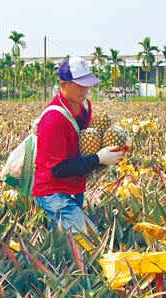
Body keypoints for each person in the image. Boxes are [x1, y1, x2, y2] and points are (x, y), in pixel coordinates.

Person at [33, 56, 124, 233]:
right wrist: (98, 158)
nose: (85, 89)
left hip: (74, 187)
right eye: (79, 84)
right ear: (63, 84)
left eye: (87, 83)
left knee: (66, 242)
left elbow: (84, 144)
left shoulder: (85, 106)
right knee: (91, 239)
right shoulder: (53, 120)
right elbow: (58, 169)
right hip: (53, 193)